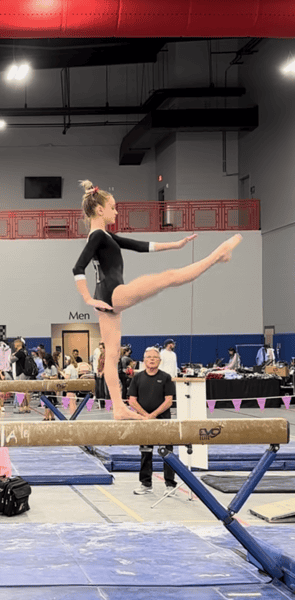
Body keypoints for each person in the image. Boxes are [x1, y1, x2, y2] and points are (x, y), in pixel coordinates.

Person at [73, 179, 243, 420]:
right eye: (113, 207)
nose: (116, 211)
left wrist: (176, 244)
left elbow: (140, 245)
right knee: (169, 277)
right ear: (100, 210)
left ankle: (119, 408)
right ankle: (217, 255)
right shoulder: (98, 235)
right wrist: (87, 298)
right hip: (113, 294)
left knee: (111, 356)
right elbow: (77, 268)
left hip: (108, 298)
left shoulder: (103, 235)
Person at [128, 346, 177, 494]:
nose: (152, 360)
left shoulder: (166, 377)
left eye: (155, 357)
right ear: (144, 361)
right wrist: (146, 416)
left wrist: (153, 415)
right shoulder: (137, 377)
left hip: (163, 420)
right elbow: (131, 400)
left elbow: (169, 401)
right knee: (145, 452)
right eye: (149, 357)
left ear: (160, 361)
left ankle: (170, 485)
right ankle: (145, 484)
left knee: (167, 452)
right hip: (144, 421)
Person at [10, 338, 31, 414]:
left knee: (20, 391)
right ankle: (26, 407)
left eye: (15, 344)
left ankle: (20, 407)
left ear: (18, 344)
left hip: (21, 373)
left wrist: (12, 355)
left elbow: (11, 360)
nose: (14, 345)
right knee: (24, 391)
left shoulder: (19, 353)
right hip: (24, 373)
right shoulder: (25, 352)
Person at [41, 353, 58, 421]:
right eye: (44, 361)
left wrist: (47, 377)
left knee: (49, 401)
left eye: (45, 361)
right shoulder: (47, 367)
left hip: (51, 387)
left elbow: (55, 377)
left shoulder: (53, 367)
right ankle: (51, 416)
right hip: (46, 386)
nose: (45, 362)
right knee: (47, 401)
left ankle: (47, 416)